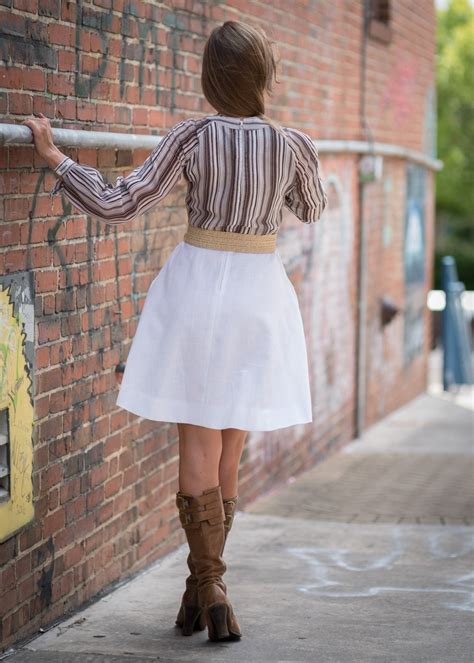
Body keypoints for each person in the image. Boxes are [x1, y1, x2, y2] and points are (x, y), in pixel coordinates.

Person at [24, 19, 327, 644]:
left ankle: (209, 585)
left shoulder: (192, 136)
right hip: (258, 293)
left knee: (198, 436)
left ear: (209, 79)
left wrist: (56, 157)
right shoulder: (293, 143)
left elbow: (119, 201)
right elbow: (312, 208)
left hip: (197, 291)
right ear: (265, 76)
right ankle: (207, 587)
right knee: (231, 444)